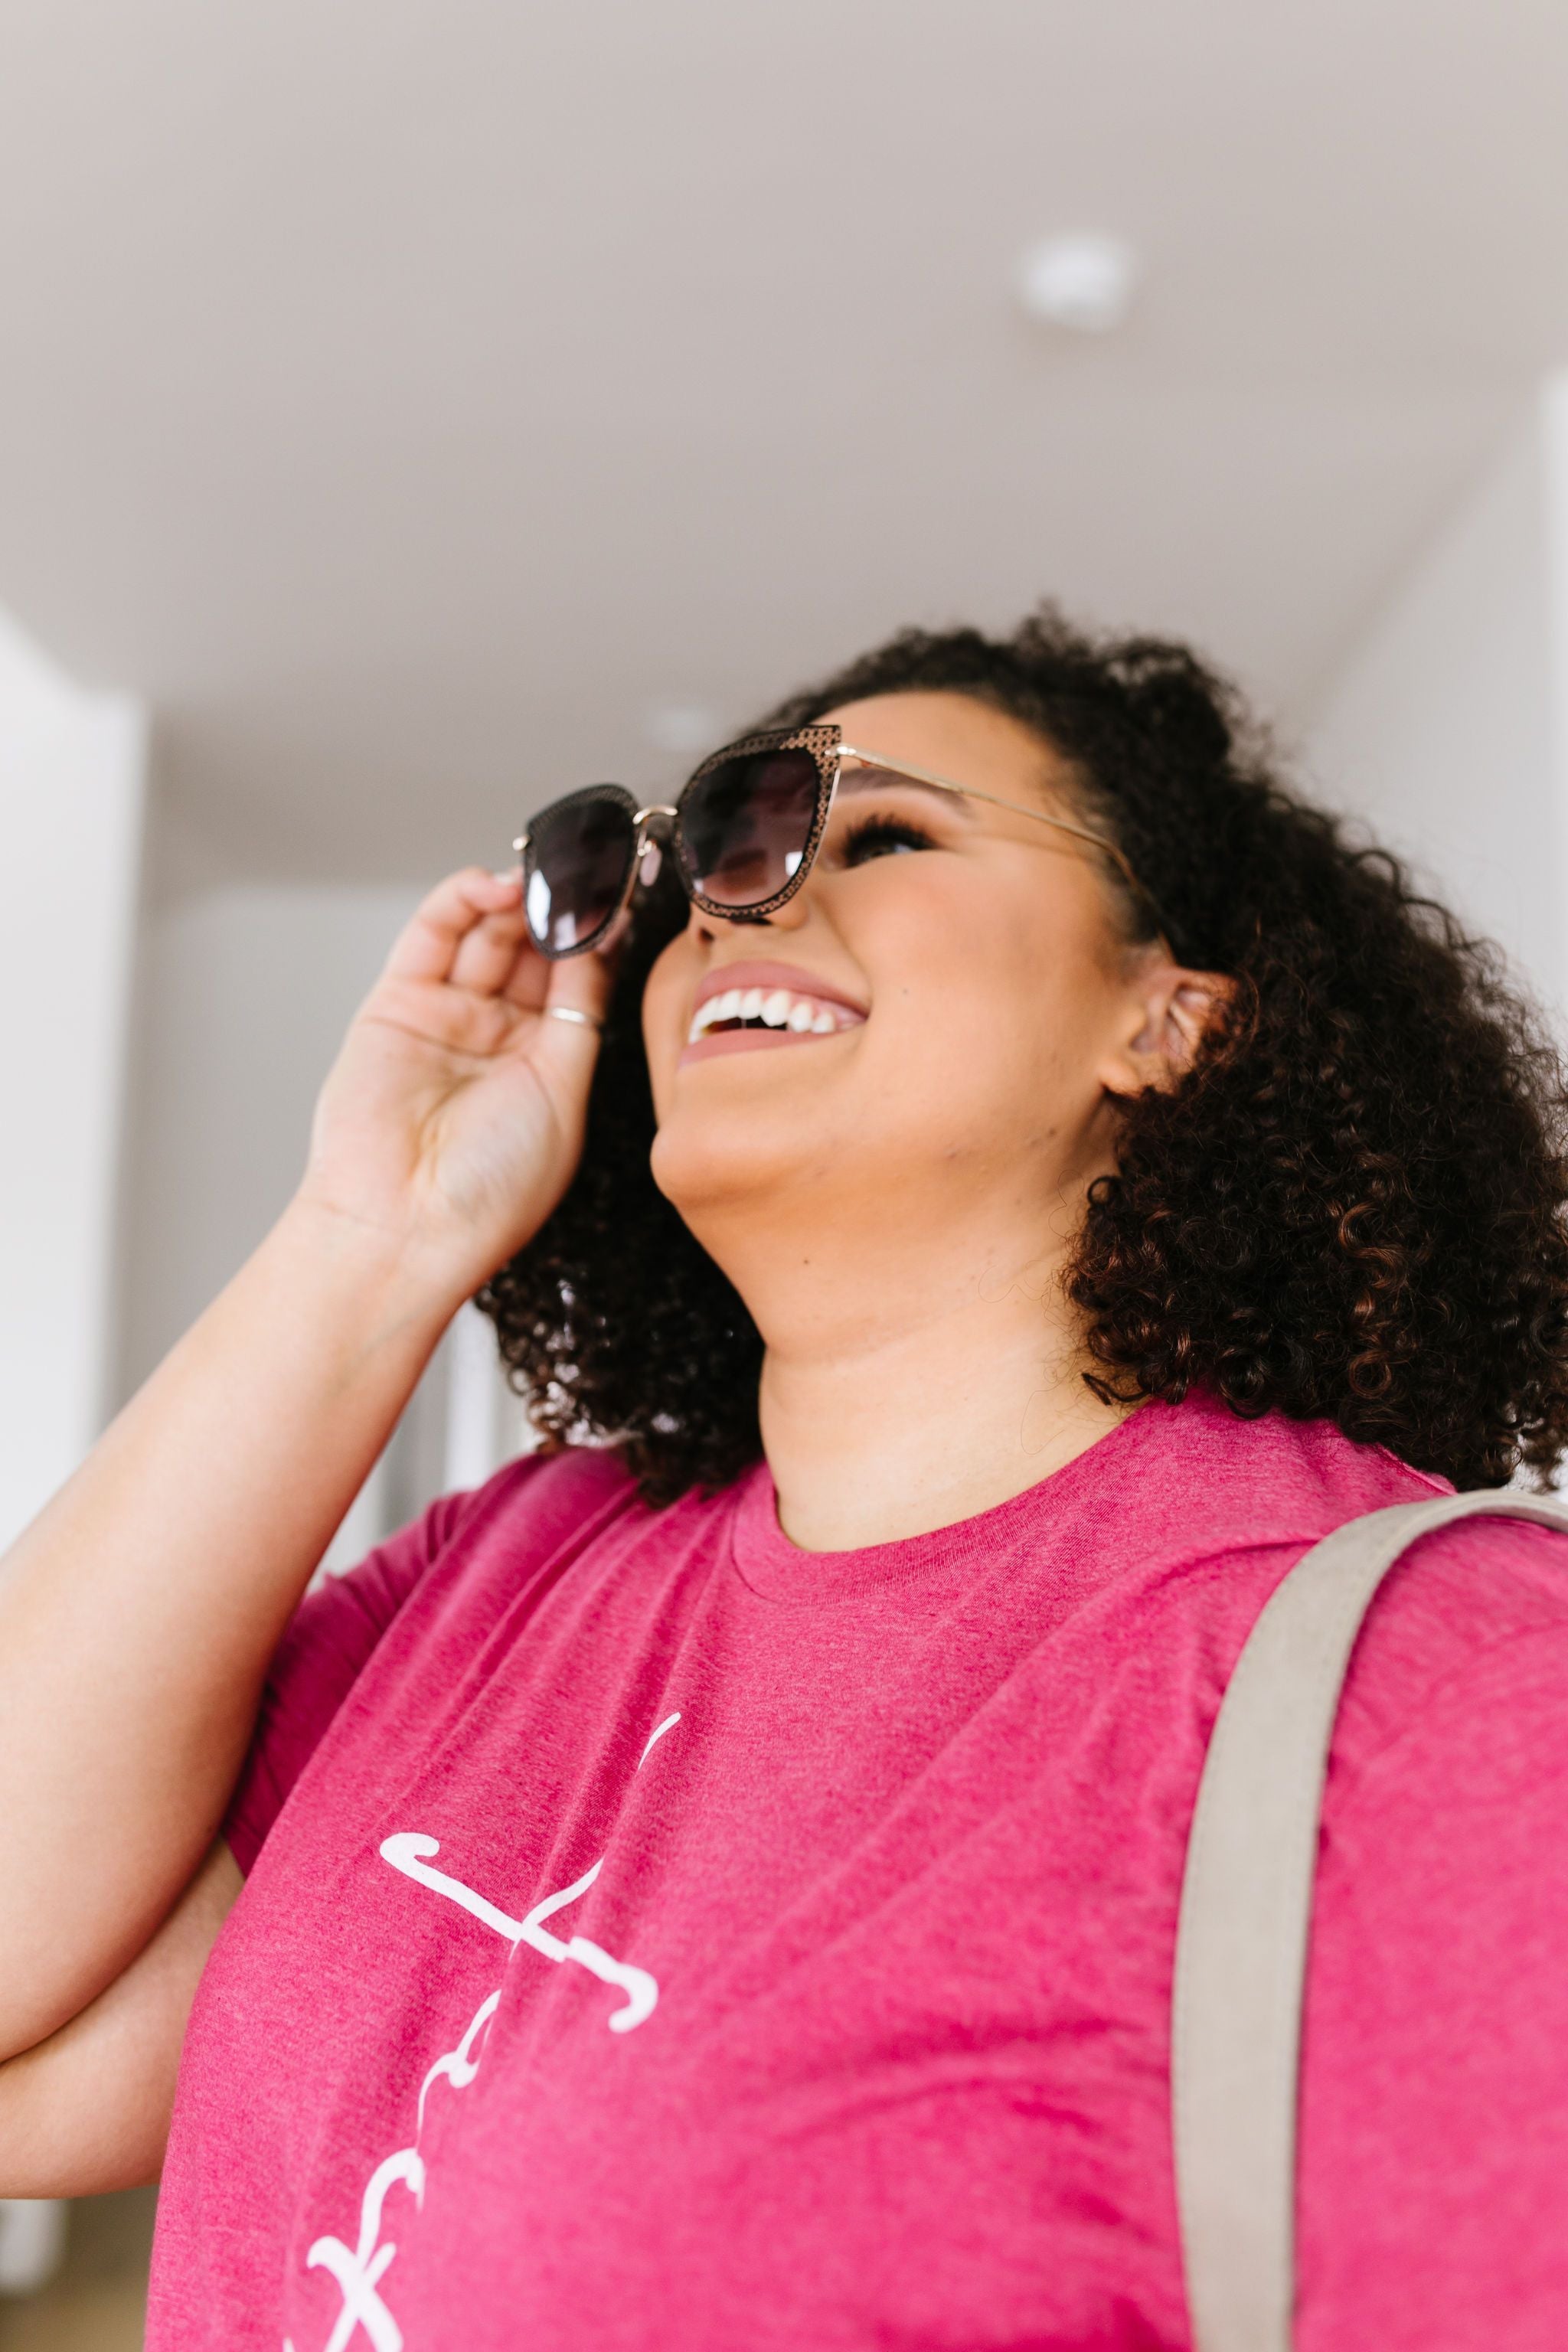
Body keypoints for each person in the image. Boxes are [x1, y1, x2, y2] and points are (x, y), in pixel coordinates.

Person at [2, 608, 1566, 2351]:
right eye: (715, 862)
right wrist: (372, 1233)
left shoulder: (1452, 1680)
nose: (739, 904)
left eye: (882, 835)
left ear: (1167, 1021)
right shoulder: (511, 1564)